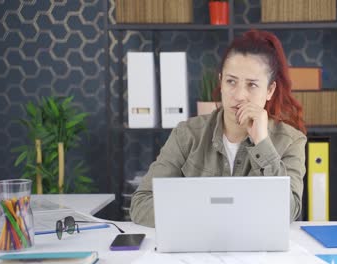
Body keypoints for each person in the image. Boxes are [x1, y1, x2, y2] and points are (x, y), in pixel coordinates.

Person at [130, 29, 307, 227]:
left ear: (269, 90)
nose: (239, 95)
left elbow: (287, 212)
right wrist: (209, 219)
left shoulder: (291, 141)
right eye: (231, 81)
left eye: (252, 85)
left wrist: (263, 143)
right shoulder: (187, 134)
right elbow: (141, 204)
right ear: (221, 82)